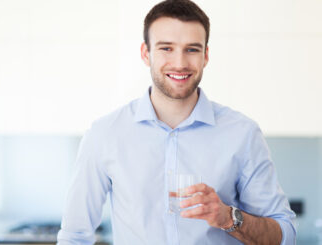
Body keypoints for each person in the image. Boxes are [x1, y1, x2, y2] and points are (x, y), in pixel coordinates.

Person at [57, 0, 296, 244]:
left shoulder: (242, 134)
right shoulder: (105, 133)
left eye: (192, 49)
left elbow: (285, 235)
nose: (180, 63)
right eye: (166, 48)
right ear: (145, 53)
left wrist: (227, 217)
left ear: (206, 56)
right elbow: (74, 236)